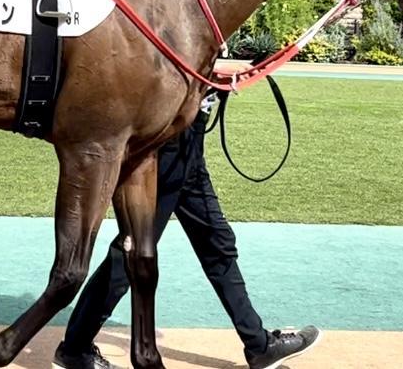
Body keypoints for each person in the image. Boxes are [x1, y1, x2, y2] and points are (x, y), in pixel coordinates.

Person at [53, 93, 321, 369]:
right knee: (132, 253)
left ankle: (260, 346)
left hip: (187, 142)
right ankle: (74, 349)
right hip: (166, 144)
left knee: (216, 242)